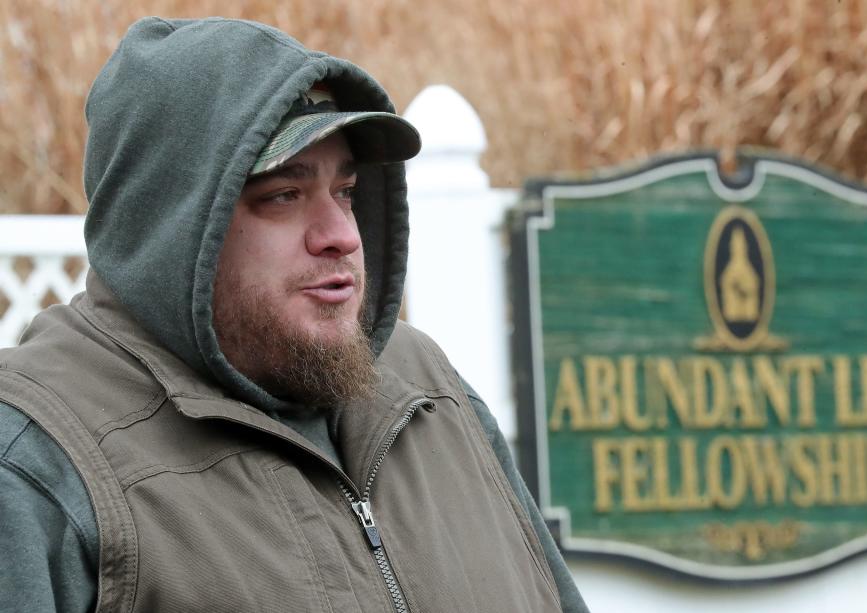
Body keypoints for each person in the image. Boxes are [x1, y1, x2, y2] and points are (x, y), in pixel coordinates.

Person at [0, 17, 587, 613]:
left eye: (346, 192)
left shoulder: (430, 392)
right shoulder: (34, 459)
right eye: (283, 195)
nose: (341, 236)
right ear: (168, 226)